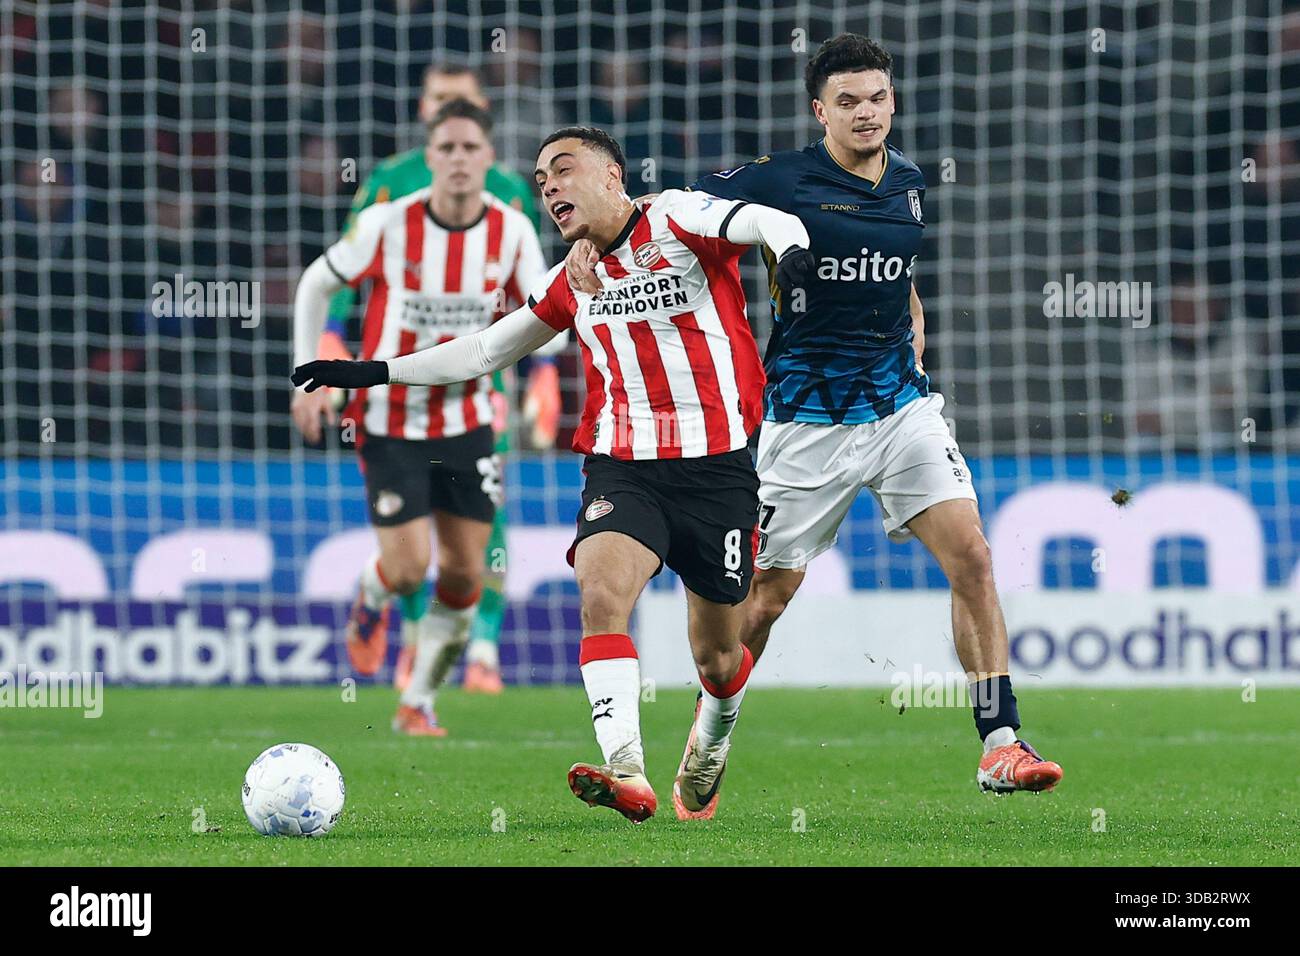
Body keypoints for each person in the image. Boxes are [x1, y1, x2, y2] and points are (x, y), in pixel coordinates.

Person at [563, 34, 1064, 797]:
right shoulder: (778, 181)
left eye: (878, 98)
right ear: (819, 111)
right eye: (849, 102)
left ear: (893, 100)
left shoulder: (910, 183)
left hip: (901, 406)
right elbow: (662, 214)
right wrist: (593, 246)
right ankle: (713, 728)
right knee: (762, 602)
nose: (867, 113)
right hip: (803, 420)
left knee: (973, 555)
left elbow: (895, 275)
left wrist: (911, 310)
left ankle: (1000, 741)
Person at [293, 126, 815, 822]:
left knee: (718, 657)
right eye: (540, 181)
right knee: (600, 594)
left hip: (718, 471)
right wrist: (372, 371)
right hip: (622, 467)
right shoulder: (572, 278)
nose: (549, 187)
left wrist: (796, 251)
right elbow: (484, 351)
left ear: (609, 174)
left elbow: (759, 218)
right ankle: (627, 769)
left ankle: (711, 740)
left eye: (562, 171)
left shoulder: (679, 217)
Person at [291, 99, 557, 735]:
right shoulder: (387, 223)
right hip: (390, 419)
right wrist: (306, 375)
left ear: (489, 159)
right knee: (410, 569)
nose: (459, 159)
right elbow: (315, 285)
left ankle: (417, 700)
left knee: (466, 575)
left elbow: (549, 308)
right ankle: (373, 595)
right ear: (428, 158)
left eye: (471, 148)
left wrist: (544, 378)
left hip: (469, 422)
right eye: (447, 149)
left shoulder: (512, 229)